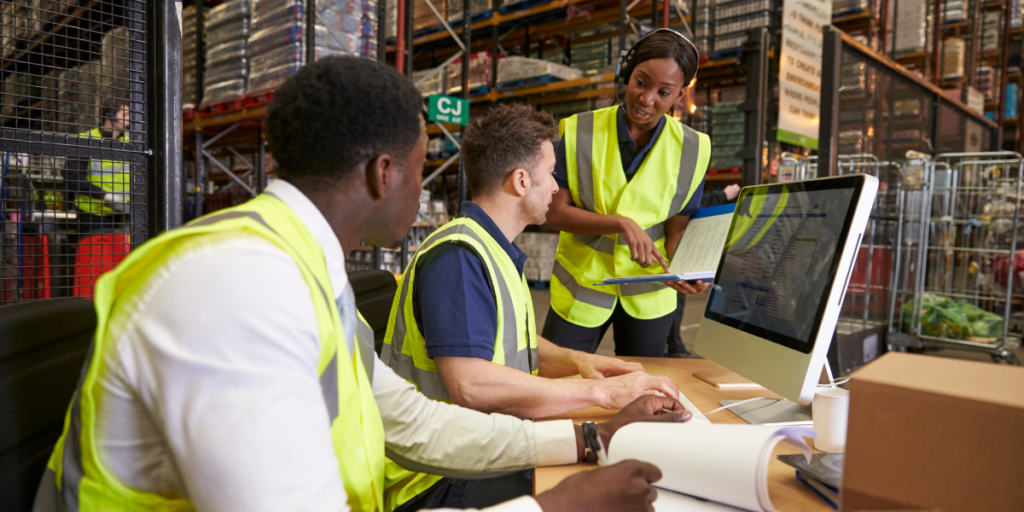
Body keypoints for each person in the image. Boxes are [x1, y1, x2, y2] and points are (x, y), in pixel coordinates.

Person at [33, 56, 691, 512]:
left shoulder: (310, 269)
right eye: (417, 163)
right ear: (383, 174)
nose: (424, 180)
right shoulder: (234, 287)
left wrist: (586, 440)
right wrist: (547, 506)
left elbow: (409, 420)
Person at [380, 103, 683, 511]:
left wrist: (579, 362)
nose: (557, 187)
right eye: (550, 173)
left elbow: (513, 343)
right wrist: (603, 393)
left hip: (479, 453)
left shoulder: (490, 248)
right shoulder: (458, 258)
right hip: (437, 480)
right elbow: (472, 384)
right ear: (521, 181)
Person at [543, 29, 713, 356]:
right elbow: (555, 213)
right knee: (555, 379)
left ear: (679, 96)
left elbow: (676, 230)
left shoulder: (694, 149)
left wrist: (686, 270)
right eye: (641, 82)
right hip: (582, 284)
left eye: (664, 92)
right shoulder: (578, 130)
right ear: (626, 75)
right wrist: (619, 223)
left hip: (649, 292)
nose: (647, 99)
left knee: (643, 389)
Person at [665, 183, 740, 357]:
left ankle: (675, 346)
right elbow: (690, 203)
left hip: (671, 257)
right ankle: (675, 347)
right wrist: (721, 195)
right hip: (666, 259)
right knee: (676, 299)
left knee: (676, 300)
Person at [65, 98, 132, 234]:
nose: (130, 118)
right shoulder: (86, 140)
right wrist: (105, 196)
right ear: (110, 116)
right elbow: (71, 178)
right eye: (125, 115)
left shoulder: (131, 143)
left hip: (125, 215)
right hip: (93, 217)